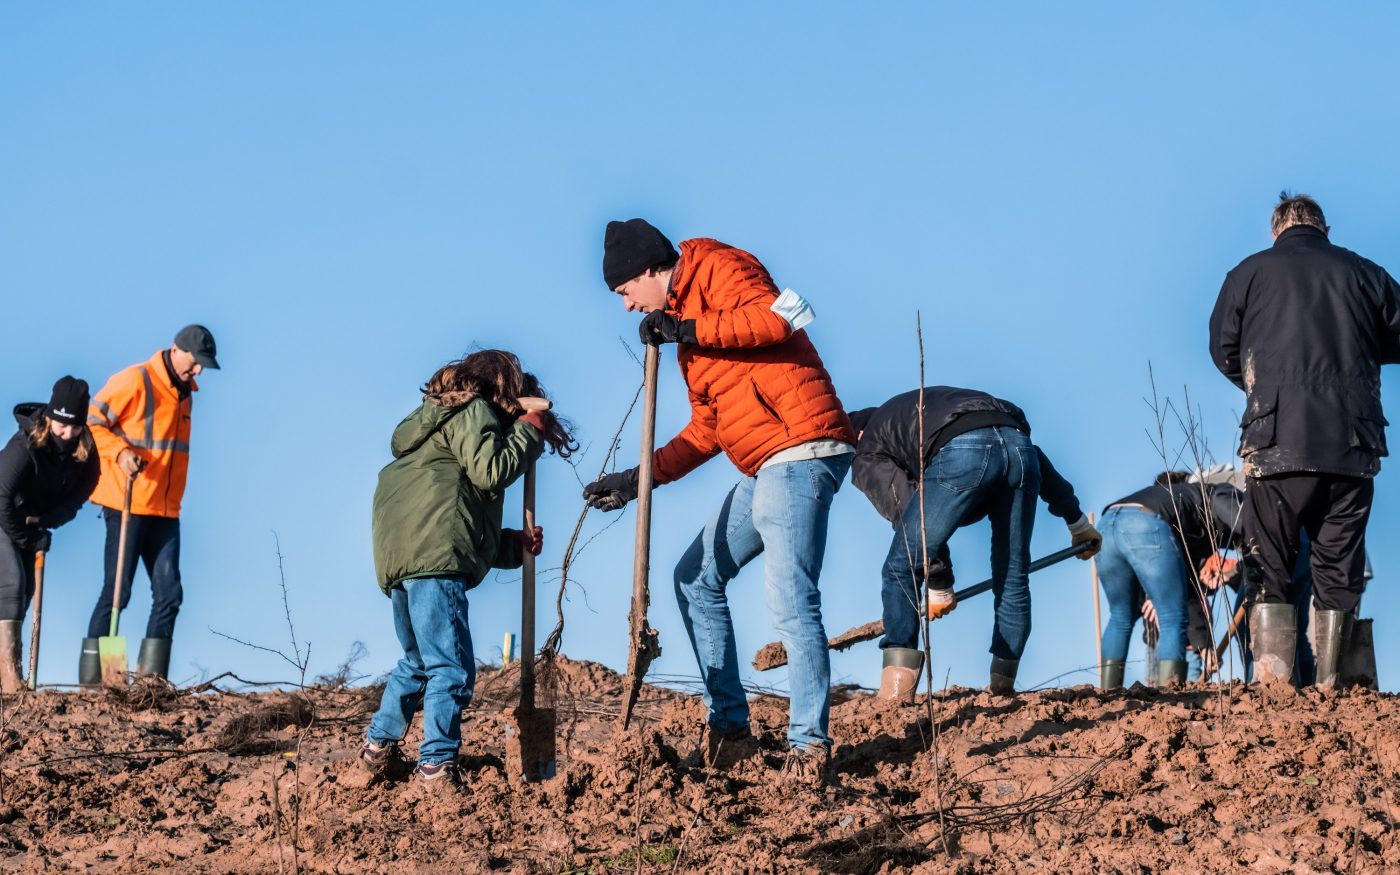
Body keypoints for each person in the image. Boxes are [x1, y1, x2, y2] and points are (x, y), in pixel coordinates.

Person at [583, 219, 855, 784]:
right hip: (765, 462)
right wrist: (640, 478)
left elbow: (778, 318)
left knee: (790, 601)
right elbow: (707, 430)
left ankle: (809, 750)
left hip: (801, 447)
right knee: (694, 577)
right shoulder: (689, 338)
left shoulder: (719, 267)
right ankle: (730, 730)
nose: (627, 308)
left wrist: (686, 327)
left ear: (649, 271)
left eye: (625, 292)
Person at [1209, 193, 1400, 687]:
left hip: (1275, 444)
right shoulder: (1366, 273)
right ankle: (1340, 689)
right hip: (1350, 443)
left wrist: (1263, 389)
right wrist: (1358, 363)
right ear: (1325, 228)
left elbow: (1222, 347)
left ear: (1276, 232)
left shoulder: (1248, 274)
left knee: (1269, 567)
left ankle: (1273, 689)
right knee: (1339, 571)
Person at [360, 351, 573, 790]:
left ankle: (376, 748)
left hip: (403, 559)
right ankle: (436, 764)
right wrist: (528, 435)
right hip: (434, 559)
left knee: (419, 660)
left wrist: (511, 545)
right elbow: (490, 471)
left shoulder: (430, 430)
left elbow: (453, 510)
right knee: (451, 667)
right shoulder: (472, 412)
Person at [846, 387, 1099, 700]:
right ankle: (1002, 687)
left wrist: (938, 582)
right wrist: (1077, 523)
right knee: (1012, 574)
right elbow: (1036, 458)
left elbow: (907, 511)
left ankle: (895, 699)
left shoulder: (867, 447)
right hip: (1018, 445)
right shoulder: (912, 416)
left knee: (901, 565)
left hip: (965, 450)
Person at [80, 325, 220, 684]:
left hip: (165, 509)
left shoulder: (186, 394)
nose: (199, 371)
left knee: (170, 594)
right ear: (176, 351)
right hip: (126, 503)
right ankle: (103, 682)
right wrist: (121, 452)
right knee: (117, 593)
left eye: (203, 365)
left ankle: (150, 684)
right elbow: (91, 423)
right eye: (195, 362)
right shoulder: (135, 380)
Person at [1096, 472, 1242, 688]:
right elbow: (1246, 525)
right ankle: (1169, 696)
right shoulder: (1213, 495)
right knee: (1172, 616)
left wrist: (1203, 645)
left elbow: (1186, 584)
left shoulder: (1177, 507)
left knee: (1120, 616)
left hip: (1106, 524)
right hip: (1144, 522)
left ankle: (1108, 694)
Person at [0, 378, 100, 692]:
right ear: (50, 418)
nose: (66, 434)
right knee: (12, 584)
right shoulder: (25, 444)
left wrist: (55, 517)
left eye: (74, 427)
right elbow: (0, 498)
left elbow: (88, 484)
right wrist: (30, 538)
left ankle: (5, 673)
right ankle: (11, 680)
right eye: (61, 425)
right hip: (3, 516)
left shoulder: (84, 447)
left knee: (26, 591)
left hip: (31, 522)